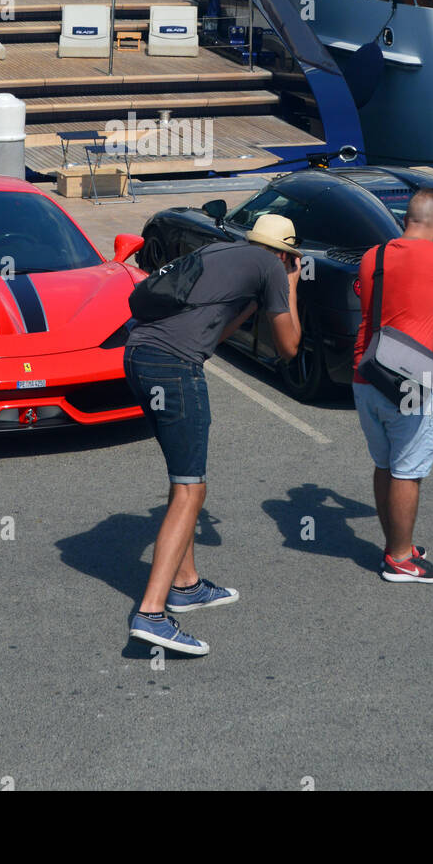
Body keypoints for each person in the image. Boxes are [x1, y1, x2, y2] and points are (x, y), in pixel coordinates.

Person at [124, 214, 302, 656]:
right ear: (284, 253)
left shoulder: (222, 252)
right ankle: (150, 614)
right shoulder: (272, 269)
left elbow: (213, 335)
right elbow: (289, 346)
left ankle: (185, 585)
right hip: (172, 366)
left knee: (183, 479)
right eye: (290, 258)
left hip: (139, 356)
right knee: (191, 490)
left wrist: (254, 303)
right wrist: (290, 286)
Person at [353, 187, 433, 584]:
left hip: (367, 373)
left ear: (405, 220)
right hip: (408, 380)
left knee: (385, 464)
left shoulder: (372, 256)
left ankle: (397, 543)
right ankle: (400, 560)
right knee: (407, 471)